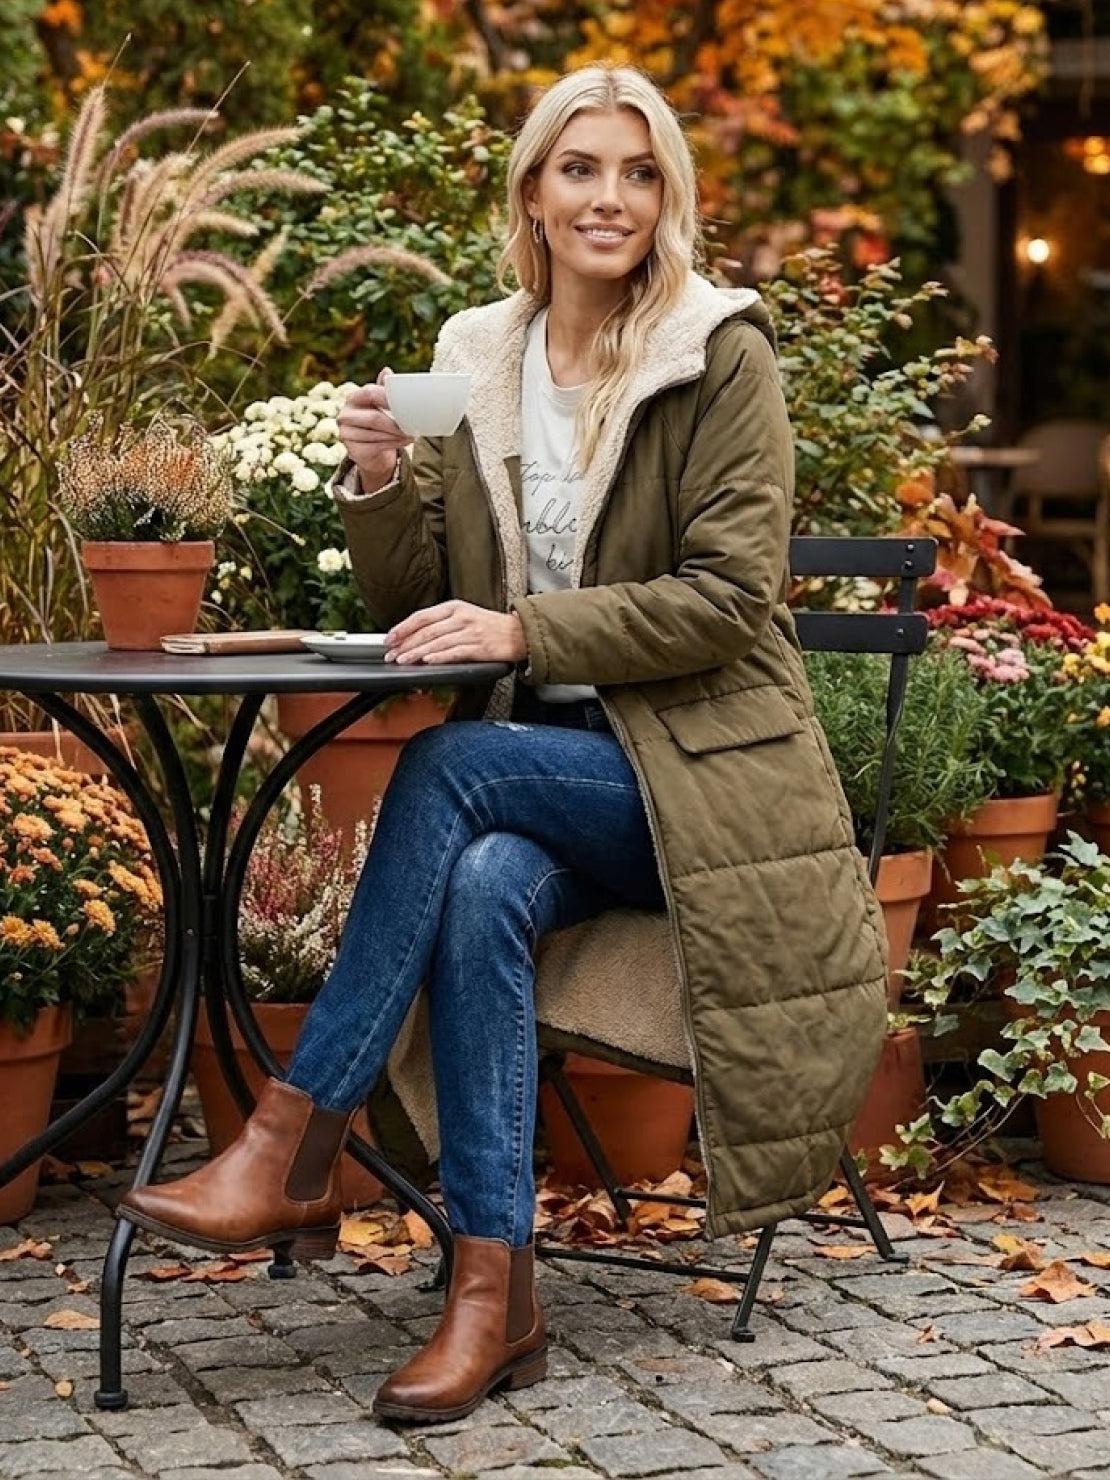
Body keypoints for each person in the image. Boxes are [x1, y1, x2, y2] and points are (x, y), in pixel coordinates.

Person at [119, 63, 888, 1423]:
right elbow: (424, 614)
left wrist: (525, 636)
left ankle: (297, 1136)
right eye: (580, 168)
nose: (609, 197)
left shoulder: (718, 353)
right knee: (476, 881)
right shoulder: (476, 356)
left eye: (637, 172)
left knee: (452, 765)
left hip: (702, 796)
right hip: (548, 792)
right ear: (531, 191)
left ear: (667, 199)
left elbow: (726, 600)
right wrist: (375, 485)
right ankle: (496, 1297)